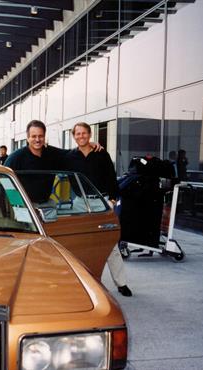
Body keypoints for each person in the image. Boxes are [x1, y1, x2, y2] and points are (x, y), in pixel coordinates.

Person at [65, 122, 132, 297]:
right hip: (79, 203)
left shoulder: (101, 154)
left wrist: (111, 200)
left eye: (84, 133)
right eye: (77, 134)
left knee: (109, 242)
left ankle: (121, 283)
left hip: (101, 202)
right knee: (79, 243)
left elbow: (112, 178)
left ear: (90, 134)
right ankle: (81, 282)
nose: (81, 137)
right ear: (74, 136)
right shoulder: (69, 156)